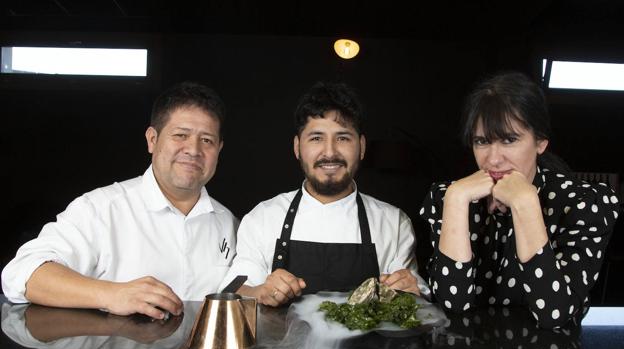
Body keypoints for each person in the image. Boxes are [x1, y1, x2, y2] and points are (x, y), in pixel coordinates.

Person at [1, 82, 238, 320]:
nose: (193, 150)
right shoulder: (101, 209)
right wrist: (112, 294)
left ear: (219, 149)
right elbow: (23, 273)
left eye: (206, 140)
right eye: (180, 135)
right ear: (152, 139)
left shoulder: (230, 224)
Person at [420, 71, 619, 328]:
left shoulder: (583, 202)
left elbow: (554, 314)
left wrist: (525, 203)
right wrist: (456, 200)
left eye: (509, 140)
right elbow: (452, 305)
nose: (493, 159)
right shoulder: (447, 196)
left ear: (540, 142)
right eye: (482, 141)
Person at [220, 81, 428, 306]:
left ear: (362, 146)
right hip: (282, 342)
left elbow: (415, 297)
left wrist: (410, 291)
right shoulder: (263, 218)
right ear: (297, 147)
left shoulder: (394, 223)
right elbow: (235, 290)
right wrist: (260, 291)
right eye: (316, 138)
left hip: (369, 343)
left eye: (343, 138)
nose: (330, 152)